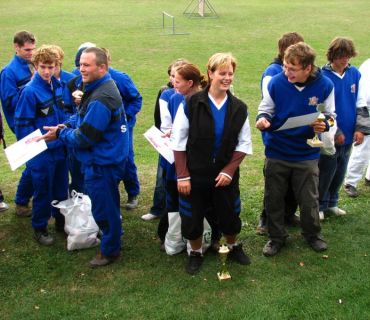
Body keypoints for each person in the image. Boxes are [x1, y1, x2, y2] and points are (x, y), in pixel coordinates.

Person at [40, 47, 129, 268]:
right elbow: (82, 117)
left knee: (104, 209)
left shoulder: (101, 96)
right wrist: (66, 125)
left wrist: (60, 133)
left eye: (86, 65)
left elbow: (84, 138)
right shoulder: (97, 86)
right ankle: (112, 240)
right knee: (108, 205)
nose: (81, 69)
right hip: (104, 159)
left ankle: (110, 251)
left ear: (102, 67)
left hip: (102, 163)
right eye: (80, 64)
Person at [170, 53, 253, 275]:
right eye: (222, 73)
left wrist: (228, 170)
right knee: (192, 217)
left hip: (224, 177)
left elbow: (244, 144)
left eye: (230, 73)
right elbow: (177, 142)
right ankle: (195, 253)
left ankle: (234, 246)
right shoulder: (191, 103)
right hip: (194, 176)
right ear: (210, 73)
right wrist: (183, 175)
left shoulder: (239, 108)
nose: (227, 78)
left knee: (229, 214)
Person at [256, 42, 335, 257]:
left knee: (309, 198)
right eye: (285, 66)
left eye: (292, 68)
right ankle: (276, 237)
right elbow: (265, 109)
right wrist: (262, 119)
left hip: (306, 154)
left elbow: (330, 114)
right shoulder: (276, 82)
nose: (286, 72)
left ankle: (312, 234)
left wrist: (324, 123)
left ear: (308, 68)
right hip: (277, 151)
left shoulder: (325, 85)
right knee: (274, 197)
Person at [14, 45, 69, 245]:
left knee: (62, 187)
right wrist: (35, 147)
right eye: (43, 67)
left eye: (51, 67)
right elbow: (22, 126)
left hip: (60, 148)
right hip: (41, 152)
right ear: (35, 66)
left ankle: (61, 221)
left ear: (57, 66)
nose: (47, 71)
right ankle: (40, 227)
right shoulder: (29, 92)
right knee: (43, 190)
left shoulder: (59, 85)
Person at [257, 32, 304, 235]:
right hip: (277, 136)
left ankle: (288, 213)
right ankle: (266, 219)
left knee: (294, 181)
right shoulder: (273, 71)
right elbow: (269, 106)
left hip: (298, 138)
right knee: (275, 183)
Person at [318, 37, 369, 220]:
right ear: (332, 55)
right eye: (341, 55)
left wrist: (361, 128)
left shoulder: (354, 73)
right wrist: (336, 131)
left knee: (340, 172)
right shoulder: (322, 75)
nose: (345, 59)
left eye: (348, 55)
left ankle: (332, 202)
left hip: (350, 134)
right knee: (326, 172)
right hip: (330, 135)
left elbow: (361, 102)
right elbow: (321, 108)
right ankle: (319, 205)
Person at [142, 58, 187, 222]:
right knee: (163, 178)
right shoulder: (166, 93)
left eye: (177, 76)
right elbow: (160, 120)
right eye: (172, 75)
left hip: (183, 146)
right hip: (167, 144)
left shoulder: (190, 95)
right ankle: (158, 209)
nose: (174, 80)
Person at [0, 30, 37, 217]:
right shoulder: (9, 72)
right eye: (27, 50)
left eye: (33, 49)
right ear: (16, 47)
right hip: (24, 126)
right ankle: (21, 202)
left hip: (41, 121)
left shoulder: (35, 65)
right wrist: (30, 86)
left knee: (44, 163)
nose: (31, 53)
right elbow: (9, 102)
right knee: (33, 165)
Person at [101, 48, 143, 210]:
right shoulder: (89, 79)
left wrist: (125, 118)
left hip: (123, 129)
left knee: (126, 158)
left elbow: (136, 99)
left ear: (108, 62)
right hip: (102, 129)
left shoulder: (120, 78)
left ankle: (133, 192)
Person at [344, 57, 370, 197]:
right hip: (366, 109)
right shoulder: (368, 66)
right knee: (363, 147)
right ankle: (351, 182)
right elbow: (362, 95)